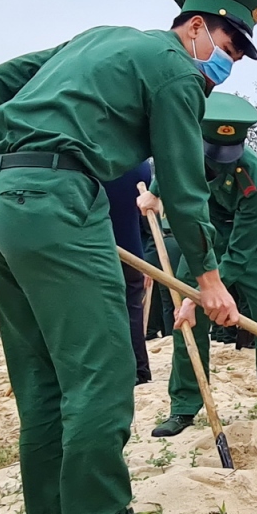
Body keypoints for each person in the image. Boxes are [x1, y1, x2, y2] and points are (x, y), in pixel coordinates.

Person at [0, 0, 257, 514]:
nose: (228, 65)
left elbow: (2, 76)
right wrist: (209, 280)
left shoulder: (102, 38)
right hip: (56, 197)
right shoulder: (176, 71)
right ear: (194, 27)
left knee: (44, 365)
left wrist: (8, 153)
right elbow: (185, 190)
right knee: (102, 364)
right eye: (229, 49)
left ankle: (65, 508)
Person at [144, 93, 257, 436]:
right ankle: (183, 406)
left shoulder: (252, 170)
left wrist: (208, 291)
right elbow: (166, 167)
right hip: (202, 238)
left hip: (252, 245)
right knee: (187, 322)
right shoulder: (186, 151)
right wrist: (153, 193)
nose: (223, 163)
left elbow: (241, 248)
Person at [102, 161, 154, 385]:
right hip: (132, 250)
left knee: (103, 312)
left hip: (98, 248)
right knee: (132, 310)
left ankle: (119, 370)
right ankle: (140, 369)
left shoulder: (89, 161)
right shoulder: (139, 166)